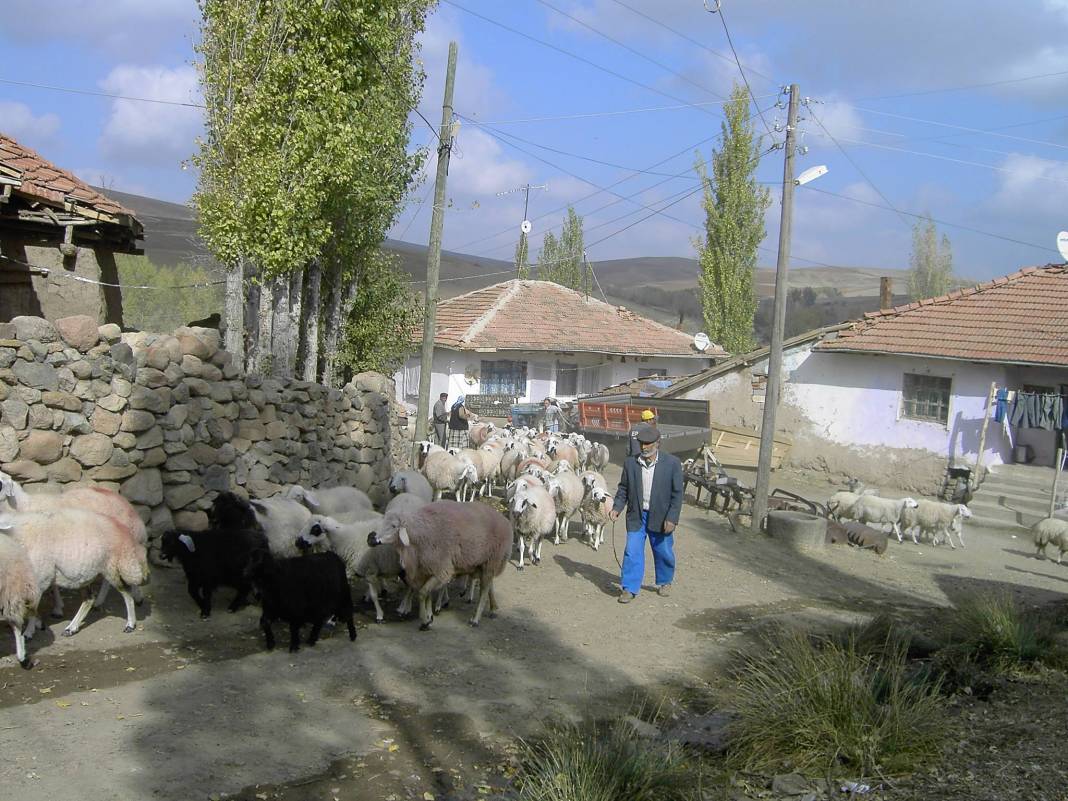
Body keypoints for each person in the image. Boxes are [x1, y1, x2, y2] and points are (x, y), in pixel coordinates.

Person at [610, 423, 683, 604]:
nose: (644, 447)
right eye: (642, 443)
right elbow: (623, 488)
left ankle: (665, 582)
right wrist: (617, 507)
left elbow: (677, 494)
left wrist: (672, 518)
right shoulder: (631, 463)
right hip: (637, 515)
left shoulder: (672, 464)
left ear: (658, 443)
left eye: (649, 443)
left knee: (663, 550)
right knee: (632, 551)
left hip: (661, 517)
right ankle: (629, 587)